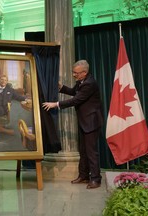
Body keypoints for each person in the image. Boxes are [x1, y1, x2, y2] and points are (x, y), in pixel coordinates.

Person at [42, 60, 103, 189]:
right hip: (84, 122)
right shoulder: (81, 81)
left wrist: (55, 104)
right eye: (73, 72)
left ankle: (96, 179)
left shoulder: (89, 84)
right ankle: (84, 176)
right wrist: (61, 87)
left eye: (76, 73)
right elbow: (74, 92)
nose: (74, 75)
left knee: (91, 152)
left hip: (91, 122)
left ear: (84, 73)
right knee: (83, 151)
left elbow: (76, 100)